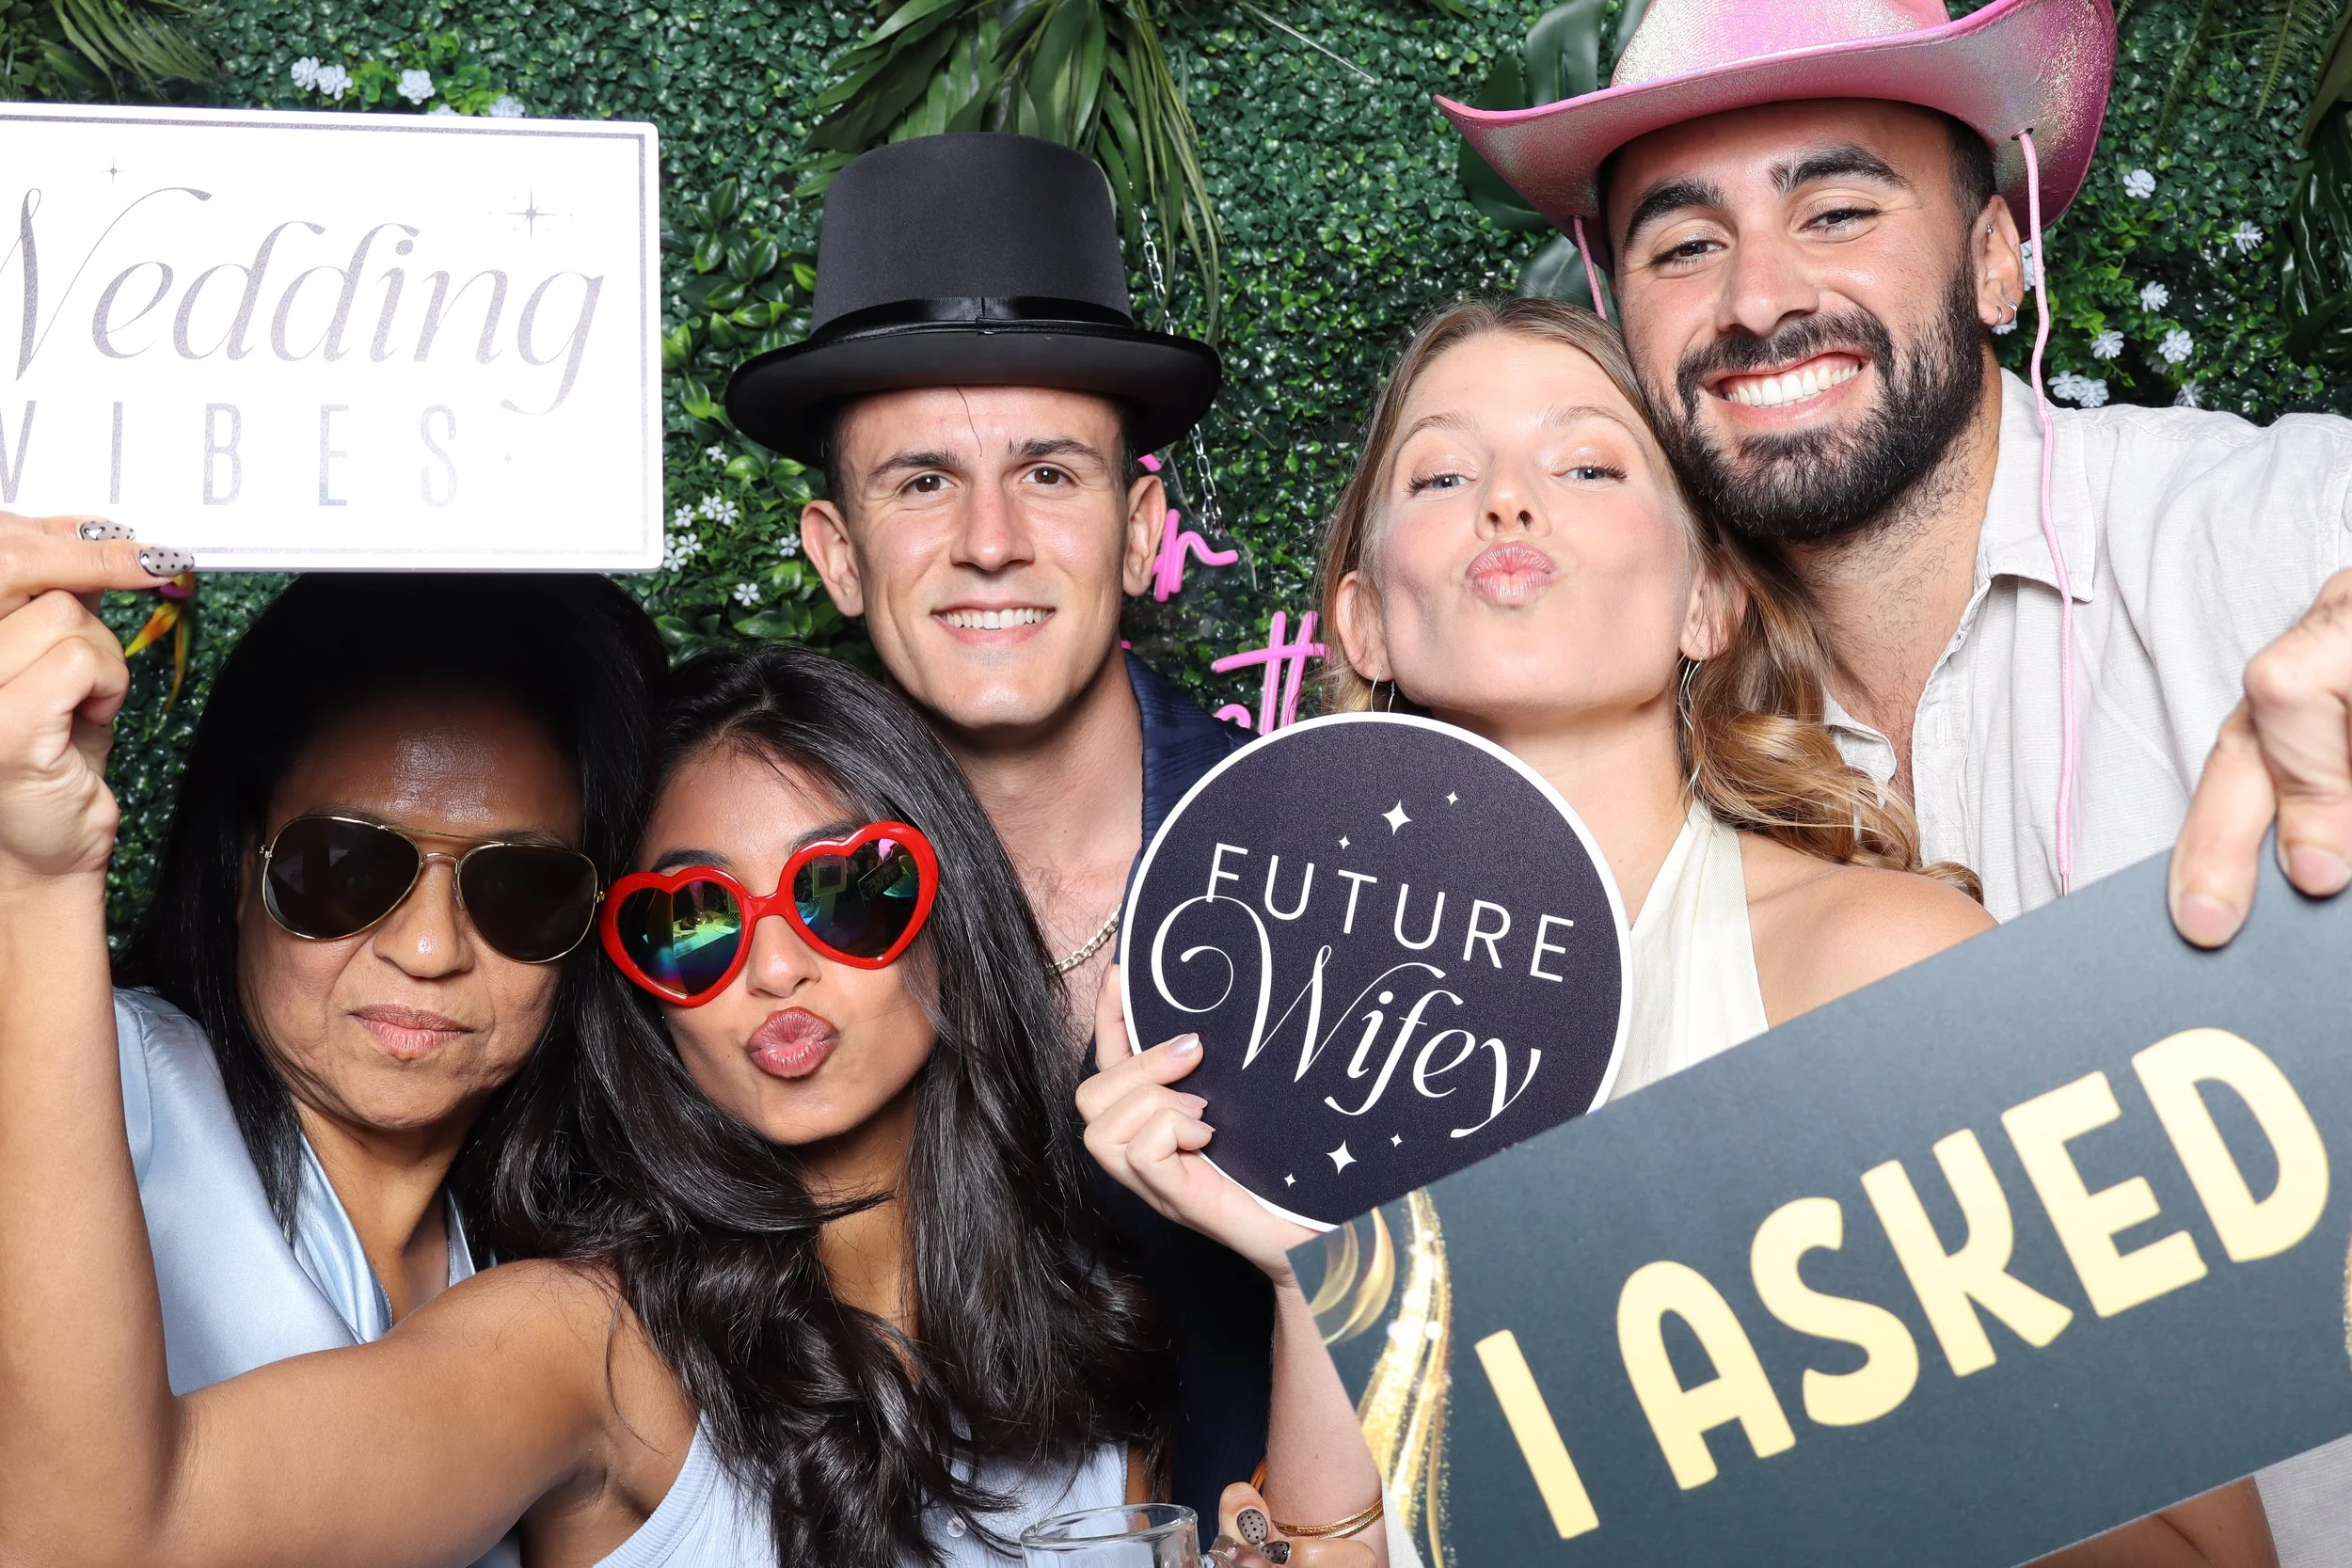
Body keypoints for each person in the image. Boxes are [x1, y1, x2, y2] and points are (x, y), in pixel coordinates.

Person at [1077, 297, 2275, 1568]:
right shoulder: (1332, 1064)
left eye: (1587, 462)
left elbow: (2215, 1549)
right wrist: (1320, 1271)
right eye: (1442, 471)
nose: (1508, 501)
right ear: (1367, 623)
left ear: (1708, 598)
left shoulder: (1883, 965)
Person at [1441, 0, 2346, 1552]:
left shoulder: (2263, 538)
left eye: (1837, 207)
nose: (1761, 298)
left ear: (1998, 256)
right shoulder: (1636, 761)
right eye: (1682, 245)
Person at [0, 640, 1179, 1566]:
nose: (775, 967)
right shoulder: (585, 1345)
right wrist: (43, 876)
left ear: (952, 906)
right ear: (632, 986)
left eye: (844, 894)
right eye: (692, 923)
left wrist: (1296, 1274)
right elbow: (97, 1534)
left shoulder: (1094, 1325)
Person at [726, 130, 1270, 1538]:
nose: (988, 541)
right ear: (836, 552)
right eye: (918, 481)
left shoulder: (1316, 870)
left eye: (1048, 473)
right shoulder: (753, 934)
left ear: (1141, 526)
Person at [0, 518, 660, 1568]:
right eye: (347, 866)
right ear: (238, 865)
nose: (431, 946)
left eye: (518, 887)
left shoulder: (561, 1286)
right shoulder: (86, 1079)